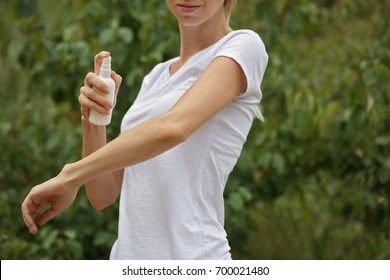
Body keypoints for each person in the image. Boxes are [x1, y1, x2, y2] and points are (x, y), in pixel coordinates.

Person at [21, 0, 268, 260]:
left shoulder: (243, 47)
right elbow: (103, 194)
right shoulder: (156, 77)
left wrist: (69, 176)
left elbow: (173, 127)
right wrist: (94, 117)